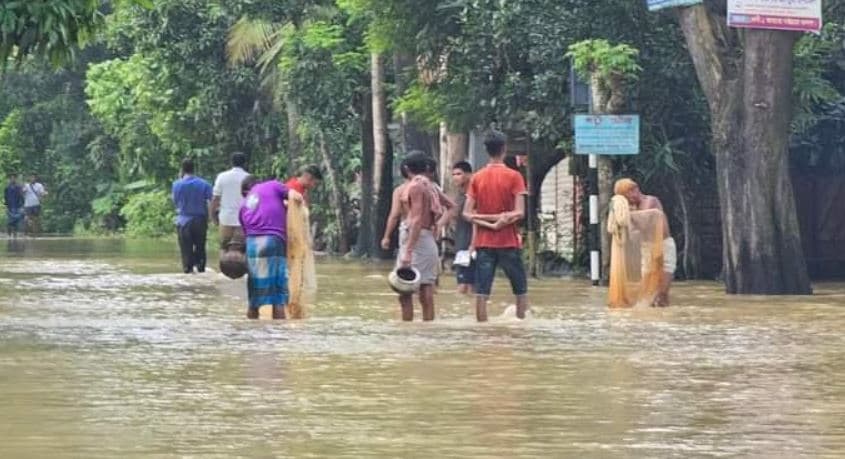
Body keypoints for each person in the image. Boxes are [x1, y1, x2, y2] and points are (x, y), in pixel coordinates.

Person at [463, 130, 528, 322]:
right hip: (508, 241)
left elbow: (466, 214)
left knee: (482, 290)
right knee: (520, 288)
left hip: (484, 242)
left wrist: (487, 224)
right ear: (504, 149)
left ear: (486, 150)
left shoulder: (477, 177)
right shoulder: (514, 176)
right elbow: (520, 212)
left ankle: (481, 325)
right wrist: (501, 220)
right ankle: (521, 322)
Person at [239, 177, 304, 319]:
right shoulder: (273, 186)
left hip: (252, 246)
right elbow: (296, 196)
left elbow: (245, 233)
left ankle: (250, 328)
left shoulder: (244, 203)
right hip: (272, 241)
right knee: (278, 296)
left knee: (254, 294)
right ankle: (278, 336)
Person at [393, 152, 442, 321]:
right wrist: (439, 225)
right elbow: (452, 206)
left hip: (415, 240)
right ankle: (428, 327)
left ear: (406, 168)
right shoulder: (430, 186)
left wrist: (408, 251)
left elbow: (416, 219)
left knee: (404, 292)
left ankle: (408, 329)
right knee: (426, 287)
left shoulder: (414, 187)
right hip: (428, 239)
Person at [613, 178, 675, 306]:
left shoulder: (650, 201)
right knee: (648, 288)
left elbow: (644, 220)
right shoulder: (632, 209)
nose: (627, 200)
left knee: (662, 291)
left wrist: (625, 213)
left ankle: (663, 307)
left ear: (634, 190)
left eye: (626, 196)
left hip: (664, 245)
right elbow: (634, 234)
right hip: (647, 247)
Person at [172, 159, 213, 274]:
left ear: (182, 169)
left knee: (186, 251)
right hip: (200, 221)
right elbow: (212, 201)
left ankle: (188, 271)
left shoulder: (176, 184)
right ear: (194, 169)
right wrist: (211, 217)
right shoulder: (204, 184)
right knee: (200, 248)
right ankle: (201, 270)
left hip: (183, 221)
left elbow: (175, 202)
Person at [211, 152, 250, 250]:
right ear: (244, 163)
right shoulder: (249, 178)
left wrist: (213, 217)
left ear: (231, 163)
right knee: (242, 249)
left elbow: (215, 199)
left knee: (224, 248)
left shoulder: (222, 177)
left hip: (226, 218)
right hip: (243, 220)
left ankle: (223, 264)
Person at [449, 161, 476, 294]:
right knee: (466, 283)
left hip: (470, 245)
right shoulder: (459, 196)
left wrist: (473, 244)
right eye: (453, 174)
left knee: (466, 285)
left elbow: (475, 221)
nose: (455, 177)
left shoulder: (473, 196)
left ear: (469, 175)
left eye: (459, 174)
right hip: (461, 244)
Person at [381, 162, 412, 251]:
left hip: (407, 228)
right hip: (426, 230)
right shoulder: (430, 188)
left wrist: (386, 236)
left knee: (405, 261)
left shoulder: (400, 191)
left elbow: (394, 215)